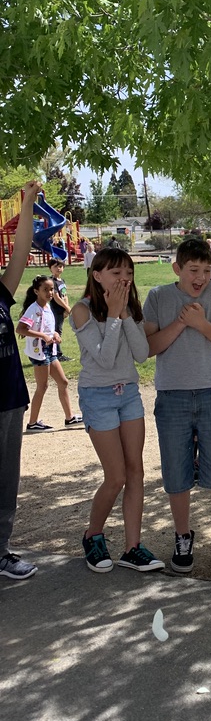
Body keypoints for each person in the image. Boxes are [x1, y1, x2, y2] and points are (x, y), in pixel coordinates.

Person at [143, 238, 211, 576]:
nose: (201, 277)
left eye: (207, 270)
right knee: (176, 473)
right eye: (194, 270)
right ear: (177, 268)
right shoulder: (158, 297)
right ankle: (182, 536)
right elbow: (149, 347)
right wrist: (181, 322)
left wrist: (202, 324)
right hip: (172, 396)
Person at [71, 249, 163, 573]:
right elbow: (105, 359)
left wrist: (124, 315)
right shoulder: (81, 311)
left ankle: (132, 548)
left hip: (129, 395)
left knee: (136, 471)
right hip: (98, 397)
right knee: (116, 476)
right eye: (116, 273)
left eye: (128, 272)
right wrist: (112, 314)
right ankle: (93, 536)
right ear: (97, 275)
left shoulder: (130, 309)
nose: (124, 279)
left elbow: (141, 354)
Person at [0, 180, 42, 580]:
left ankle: (1, 551)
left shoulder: (1, 292)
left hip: (10, 399)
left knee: (5, 482)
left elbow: (23, 251)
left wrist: (27, 204)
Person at [16, 275, 82, 432]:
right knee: (42, 386)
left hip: (49, 351)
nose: (50, 292)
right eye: (45, 289)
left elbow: (47, 328)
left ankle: (70, 418)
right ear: (36, 291)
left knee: (63, 382)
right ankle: (32, 423)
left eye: (51, 289)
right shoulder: (34, 309)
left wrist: (54, 334)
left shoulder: (47, 307)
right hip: (39, 352)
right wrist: (44, 336)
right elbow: (20, 329)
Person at [47, 257, 72, 360]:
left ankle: (56, 352)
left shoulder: (61, 281)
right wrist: (67, 308)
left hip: (62, 309)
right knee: (56, 331)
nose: (58, 268)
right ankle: (57, 354)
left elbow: (64, 295)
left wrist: (67, 308)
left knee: (59, 330)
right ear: (50, 268)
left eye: (61, 266)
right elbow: (56, 297)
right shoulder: (52, 281)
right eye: (55, 267)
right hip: (55, 309)